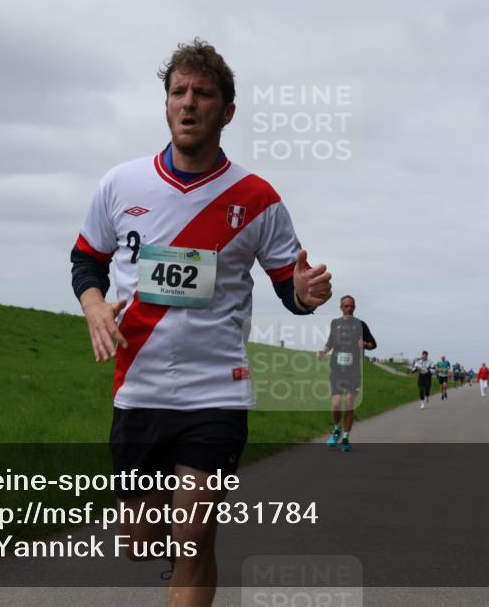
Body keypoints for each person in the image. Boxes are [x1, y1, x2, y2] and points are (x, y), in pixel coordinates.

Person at [70, 38, 332, 606]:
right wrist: (94, 306)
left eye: (203, 94)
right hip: (137, 388)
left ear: (227, 111)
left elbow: (291, 287)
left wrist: (307, 295)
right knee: (138, 544)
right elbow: (86, 258)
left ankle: (194, 554)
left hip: (217, 392)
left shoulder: (257, 198)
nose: (188, 104)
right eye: (177, 92)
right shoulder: (121, 184)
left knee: (192, 537)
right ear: (165, 104)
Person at [317, 295, 376, 451]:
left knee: (349, 403)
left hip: (353, 371)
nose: (349, 309)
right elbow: (330, 342)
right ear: (341, 307)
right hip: (336, 369)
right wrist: (323, 351)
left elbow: (373, 344)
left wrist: (365, 344)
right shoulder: (335, 324)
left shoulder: (361, 325)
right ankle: (337, 429)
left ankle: (345, 438)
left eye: (351, 306)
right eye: (346, 306)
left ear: (354, 308)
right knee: (336, 404)